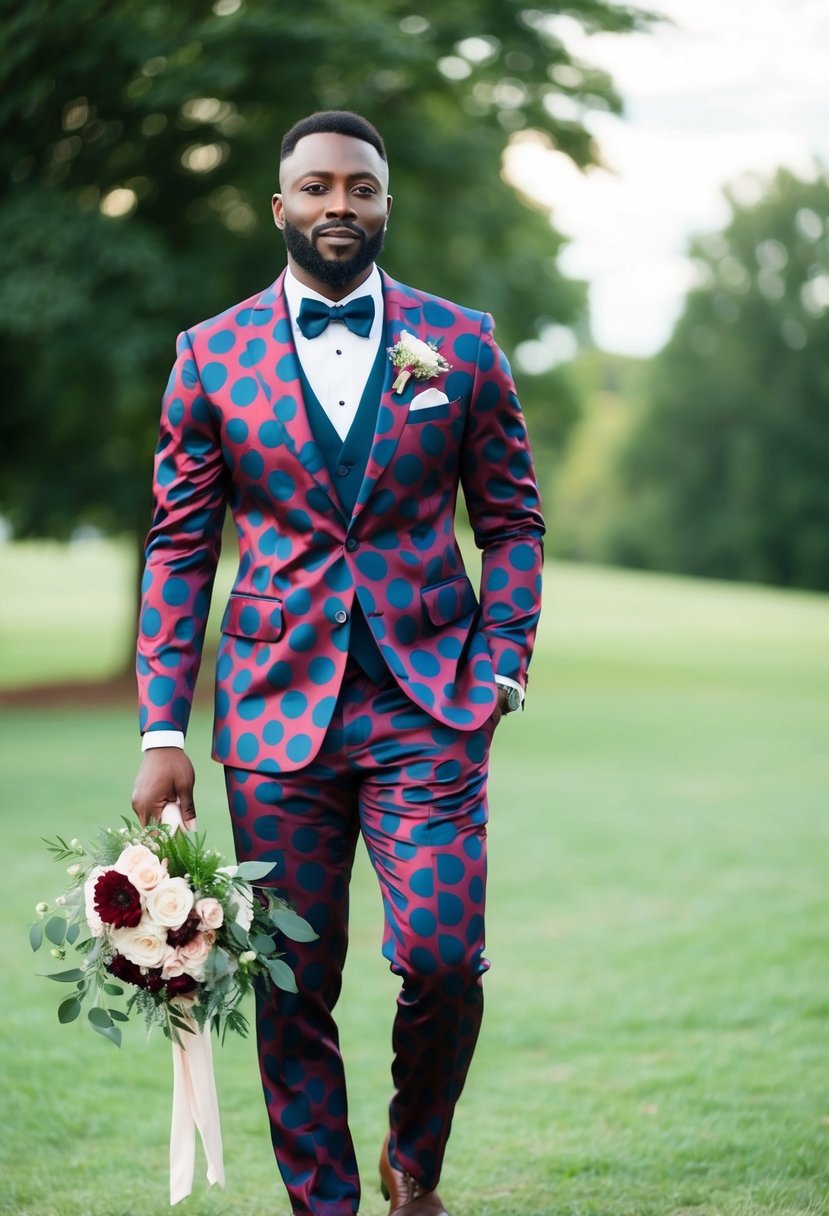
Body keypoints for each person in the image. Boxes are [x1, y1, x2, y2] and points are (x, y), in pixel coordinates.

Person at [132, 110, 544, 1216]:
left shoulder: (460, 343)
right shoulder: (209, 355)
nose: (337, 207)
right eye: (315, 188)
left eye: (359, 189)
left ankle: (415, 1165)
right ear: (280, 208)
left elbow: (510, 519)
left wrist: (501, 662)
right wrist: (163, 728)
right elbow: (180, 544)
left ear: (384, 205)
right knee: (293, 984)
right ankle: (329, 1207)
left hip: (432, 701)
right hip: (273, 717)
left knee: (445, 958)